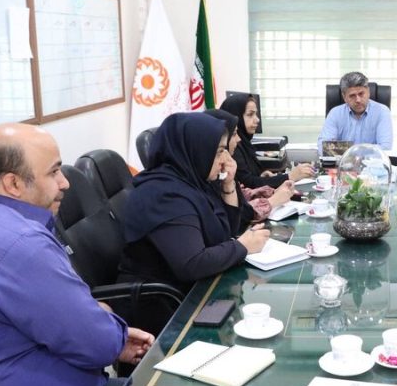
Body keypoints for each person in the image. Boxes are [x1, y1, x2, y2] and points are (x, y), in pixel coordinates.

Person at [0, 123, 154, 386]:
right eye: (54, 172)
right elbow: (98, 343)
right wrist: (105, 321)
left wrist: (102, 327)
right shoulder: (23, 245)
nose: (65, 182)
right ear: (13, 184)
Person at [117, 112, 270, 335]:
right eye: (219, 151)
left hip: (195, 290)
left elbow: (228, 230)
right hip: (163, 308)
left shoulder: (194, 180)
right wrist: (243, 246)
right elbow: (192, 263)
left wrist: (228, 185)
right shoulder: (163, 194)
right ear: (196, 149)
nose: (225, 159)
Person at [204, 108, 295, 226]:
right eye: (234, 134)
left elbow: (242, 195)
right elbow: (240, 217)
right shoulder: (208, 180)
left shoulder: (222, 168)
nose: (239, 139)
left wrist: (271, 192)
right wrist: (273, 201)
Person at [220, 93, 315, 188]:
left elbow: (251, 179)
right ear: (236, 116)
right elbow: (249, 183)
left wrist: (261, 175)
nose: (257, 119)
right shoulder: (232, 147)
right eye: (250, 114)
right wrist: (291, 176)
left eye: (255, 114)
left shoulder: (245, 143)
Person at [318, 71, 393, 152]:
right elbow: (323, 147)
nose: (358, 100)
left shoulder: (382, 111)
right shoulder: (335, 113)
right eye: (352, 96)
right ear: (344, 97)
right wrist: (364, 150)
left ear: (368, 92)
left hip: (371, 160)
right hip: (343, 160)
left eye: (361, 94)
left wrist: (344, 149)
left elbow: (385, 148)